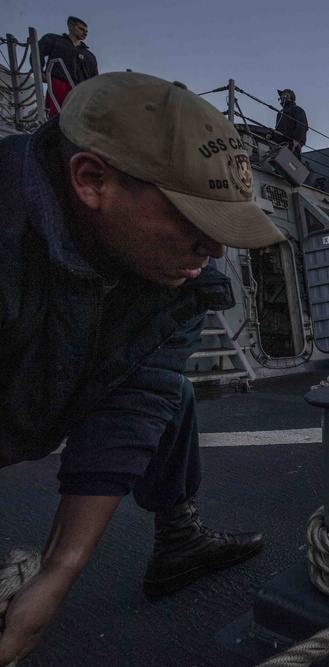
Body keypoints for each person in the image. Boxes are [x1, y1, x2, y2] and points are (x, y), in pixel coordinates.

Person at [0, 72, 287, 665]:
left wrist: (57, 574)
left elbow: (138, 398)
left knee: (168, 392)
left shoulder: (181, 280)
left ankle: (178, 536)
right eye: (193, 222)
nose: (214, 251)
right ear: (91, 180)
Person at [38, 16, 99, 118]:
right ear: (71, 26)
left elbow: (94, 77)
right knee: (56, 116)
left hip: (80, 90)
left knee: (77, 118)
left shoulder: (89, 56)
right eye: (81, 29)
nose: (85, 33)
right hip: (58, 83)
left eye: (86, 31)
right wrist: (40, 71)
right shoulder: (55, 40)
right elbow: (37, 52)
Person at [273, 89, 308, 159]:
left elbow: (302, 124)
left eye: (282, 95)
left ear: (288, 96)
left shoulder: (297, 110)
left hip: (293, 145)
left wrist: (297, 139)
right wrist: (271, 134)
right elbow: (278, 128)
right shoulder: (280, 114)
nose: (281, 97)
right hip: (280, 146)